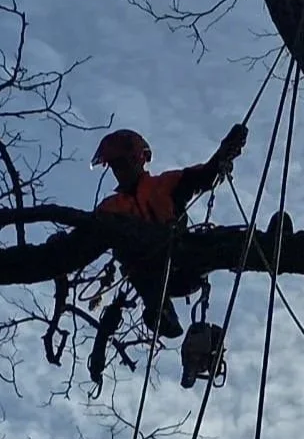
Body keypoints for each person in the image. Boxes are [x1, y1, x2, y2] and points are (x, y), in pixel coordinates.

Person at [92, 124, 247, 340]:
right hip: (151, 275)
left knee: (217, 239)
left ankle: (268, 243)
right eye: (115, 166)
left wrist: (224, 152)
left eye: (122, 164)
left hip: (184, 261)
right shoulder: (111, 207)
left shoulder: (164, 185)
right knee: (129, 255)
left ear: (138, 160)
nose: (120, 172)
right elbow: (86, 233)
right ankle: (160, 311)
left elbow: (202, 176)